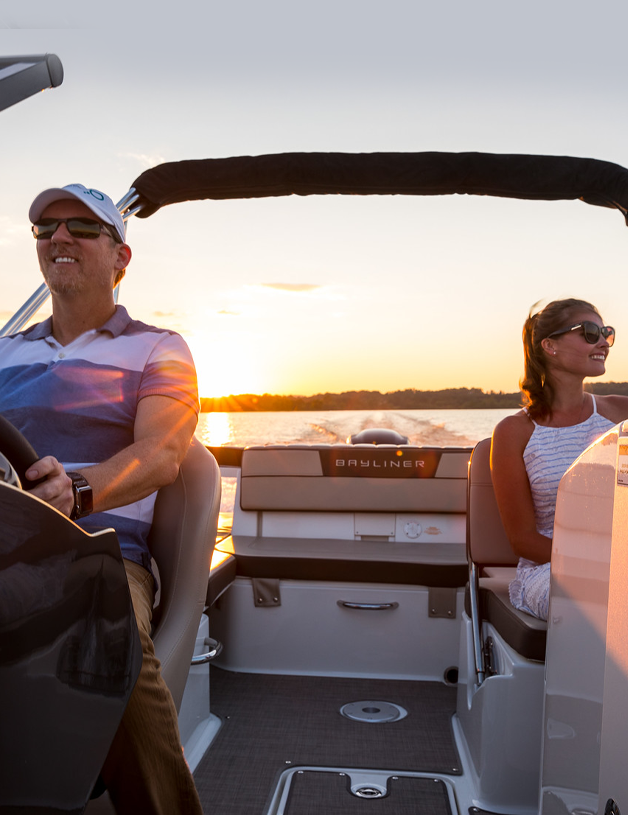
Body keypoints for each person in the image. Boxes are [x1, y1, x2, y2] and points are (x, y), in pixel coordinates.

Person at [0, 184, 203, 814]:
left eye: (82, 228)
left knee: (98, 621)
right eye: (46, 228)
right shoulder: (4, 351)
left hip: (98, 553)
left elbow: (164, 455)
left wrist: (79, 491)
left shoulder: (160, 349)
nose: (59, 237)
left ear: (121, 258)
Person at [491, 298, 628, 621]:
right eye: (590, 332)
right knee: (602, 597)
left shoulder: (622, 414)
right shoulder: (514, 432)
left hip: (622, 562)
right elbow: (522, 539)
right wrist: (599, 563)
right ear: (549, 346)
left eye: (607, 332)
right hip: (551, 569)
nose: (603, 342)